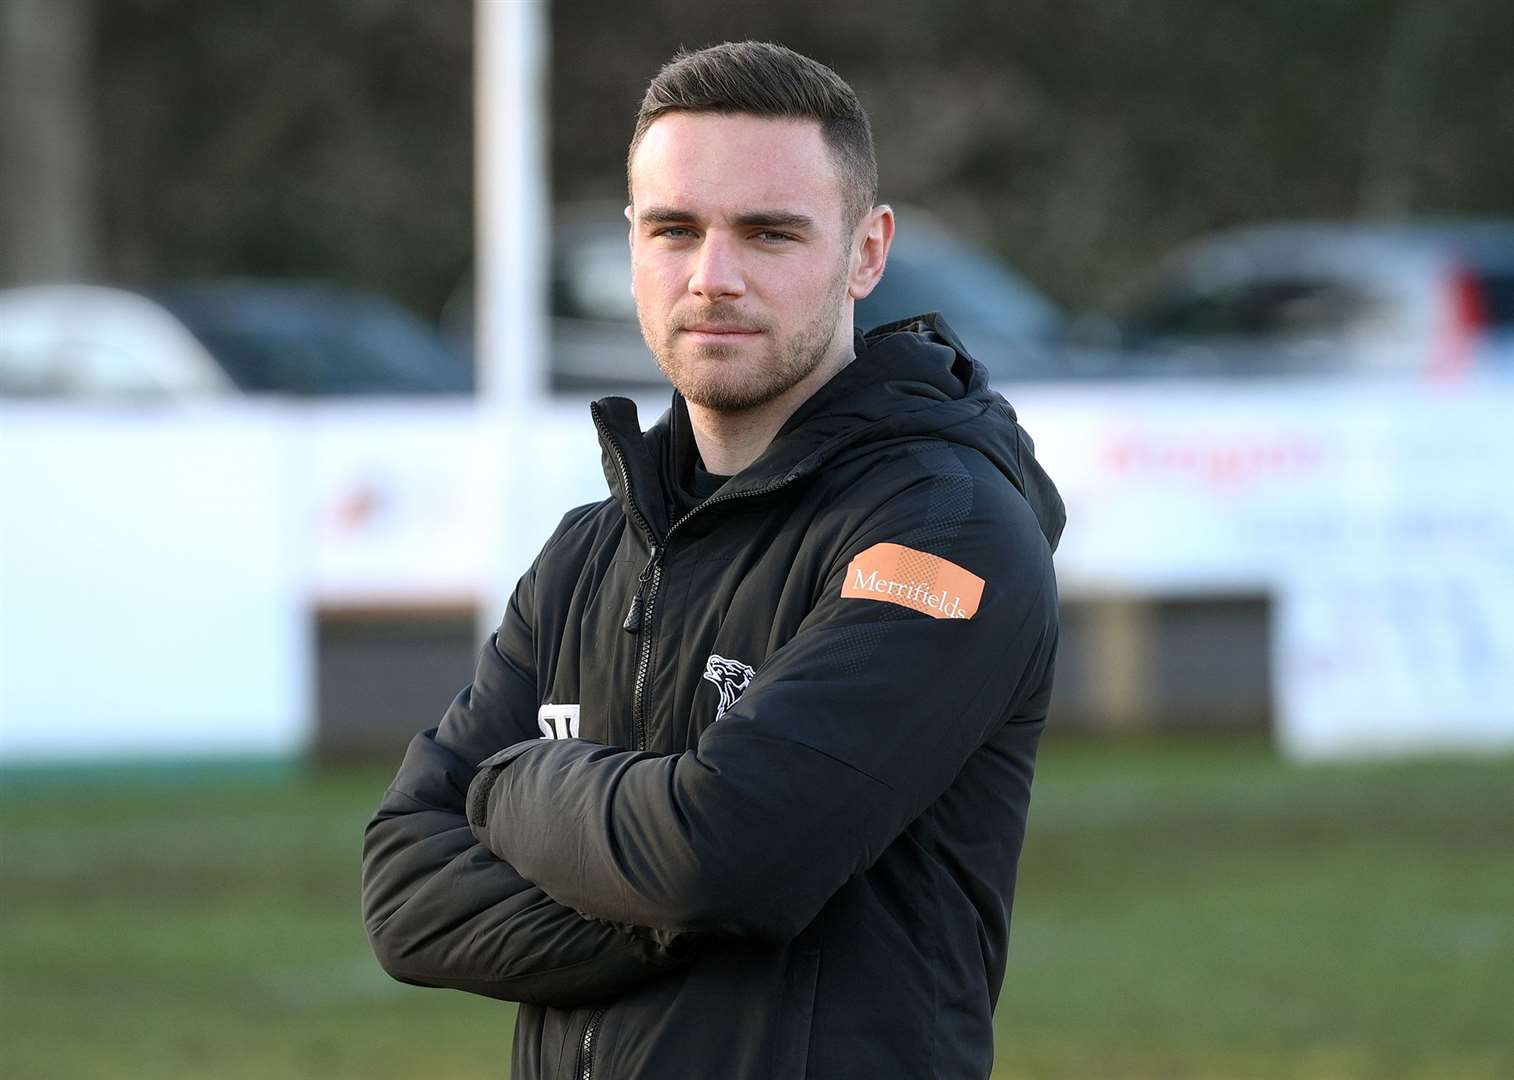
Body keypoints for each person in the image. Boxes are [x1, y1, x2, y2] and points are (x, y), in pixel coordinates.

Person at [361, 40, 1064, 1080]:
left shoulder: (942, 532)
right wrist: (677, 897)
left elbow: (721, 860)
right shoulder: (587, 552)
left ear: (865, 253)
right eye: (674, 230)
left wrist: (513, 786)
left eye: (769, 233)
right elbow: (405, 895)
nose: (712, 277)